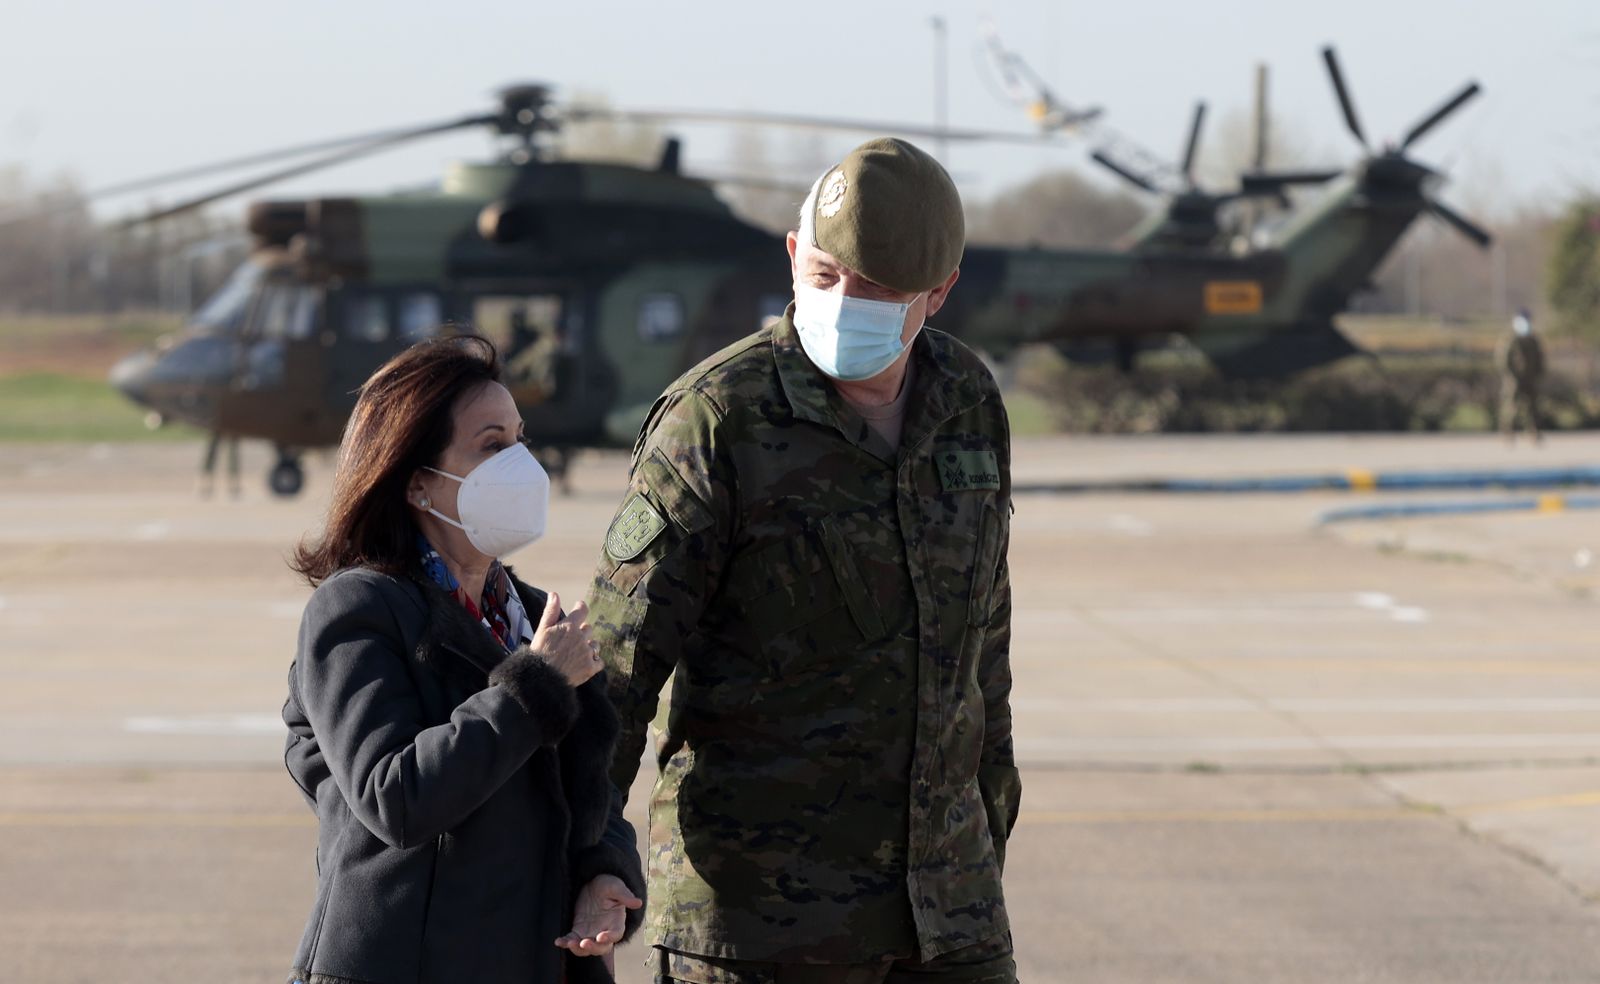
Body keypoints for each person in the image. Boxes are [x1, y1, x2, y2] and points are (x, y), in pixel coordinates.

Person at [585, 138, 1019, 982]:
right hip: (760, 928)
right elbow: (615, 672)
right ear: (792, 256)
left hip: (950, 918)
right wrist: (590, 855)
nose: (844, 302)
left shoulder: (968, 402)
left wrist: (987, 833)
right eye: (824, 275)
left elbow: (983, 653)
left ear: (939, 292)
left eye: (879, 290)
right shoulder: (717, 420)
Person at [281, 335, 645, 984]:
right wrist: (538, 684)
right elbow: (396, 799)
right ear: (418, 483)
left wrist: (605, 871)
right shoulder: (358, 612)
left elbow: (590, 788)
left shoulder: (530, 614)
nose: (522, 464)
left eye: (520, 438)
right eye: (492, 445)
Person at [1497, 307, 1545, 444]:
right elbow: (1503, 359)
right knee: (1511, 406)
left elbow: (1540, 358)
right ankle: (1508, 433)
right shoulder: (1510, 339)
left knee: (1533, 407)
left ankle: (1534, 433)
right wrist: (1511, 376)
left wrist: (1538, 374)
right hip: (1514, 379)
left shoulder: (1533, 339)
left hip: (1531, 378)